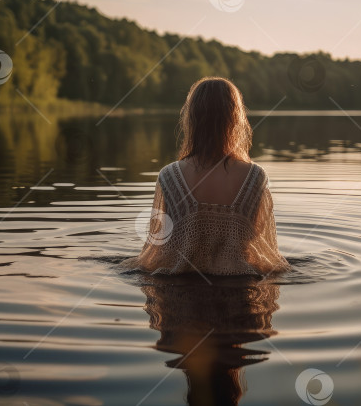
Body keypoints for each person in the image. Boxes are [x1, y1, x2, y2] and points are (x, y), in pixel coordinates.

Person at [122, 76, 290, 276]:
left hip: (179, 291)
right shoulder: (255, 176)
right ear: (235, 118)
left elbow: (162, 244)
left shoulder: (169, 176)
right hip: (242, 291)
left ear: (191, 118)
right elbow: (257, 239)